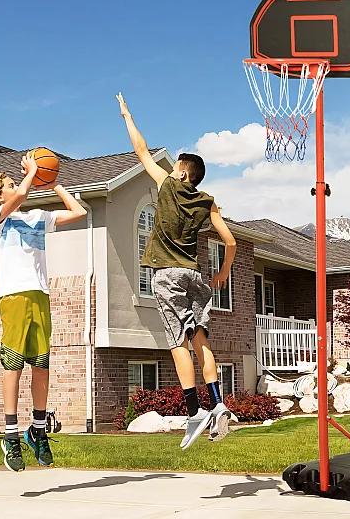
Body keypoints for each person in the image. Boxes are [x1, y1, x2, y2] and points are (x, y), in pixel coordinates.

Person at [117, 92, 237, 449]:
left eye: (174, 168)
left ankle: (194, 411)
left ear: (182, 172)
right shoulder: (207, 201)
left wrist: (127, 115)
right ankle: (217, 403)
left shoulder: (168, 185)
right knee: (200, 340)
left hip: (167, 276)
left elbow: (141, 152)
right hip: (196, 278)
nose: (170, 171)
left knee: (176, 344)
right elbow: (230, 242)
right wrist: (223, 273)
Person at [0, 152, 87, 471]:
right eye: (11, 184)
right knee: (13, 365)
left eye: (17, 182)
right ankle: (11, 436)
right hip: (13, 297)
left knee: (41, 365)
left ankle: (37, 430)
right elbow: (23, 192)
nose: (18, 186)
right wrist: (31, 173)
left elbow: (79, 211)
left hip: (40, 295)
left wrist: (53, 184)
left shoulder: (38, 216)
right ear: (0, 196)